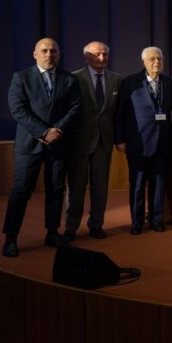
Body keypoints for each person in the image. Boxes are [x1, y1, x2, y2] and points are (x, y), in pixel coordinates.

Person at [2, 38, 80, 257]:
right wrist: (44, 132)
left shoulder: (69, 79)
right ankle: (11, 237)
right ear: (35, 54)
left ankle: (52, 233)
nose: (49, 55)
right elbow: (18, 110)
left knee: (56, 190)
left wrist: (57, 130)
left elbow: (75, 107)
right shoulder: (21, 77)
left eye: (53, 51)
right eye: (44, 51)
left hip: (59, 144)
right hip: (30, 144)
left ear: (59, 54)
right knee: (21, 191)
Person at [64, 41, 119, 241]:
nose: (102, 58)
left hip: (104, 142)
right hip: (79, 143)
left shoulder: (116, 79)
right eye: (97, 55)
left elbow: (117, 113)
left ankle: (96, 225)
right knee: (76, 188)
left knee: (100, 188)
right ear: (86, 57)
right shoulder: (74, 78)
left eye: (105, 54)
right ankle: (71, 227)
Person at [116, 46, 172, 234]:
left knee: (159, 185)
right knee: (138, 184)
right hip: (137, 142)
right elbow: (120, 113)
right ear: (143, 62)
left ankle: (157, 220)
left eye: (159, 58)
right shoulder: (130, 82)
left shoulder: (168, 82)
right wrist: (120, 139)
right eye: (152, 59)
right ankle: (137, 222)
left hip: (162, 143)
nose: (157, 62)